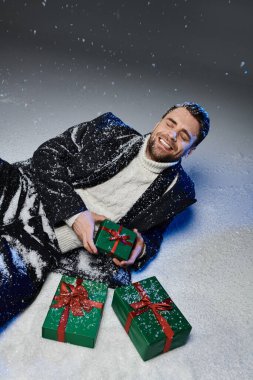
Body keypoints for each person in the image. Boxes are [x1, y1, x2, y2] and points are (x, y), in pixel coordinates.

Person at [0, 102, 210, 328]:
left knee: (9, 282)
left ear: (191, 150)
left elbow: (155, 233)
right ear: (158, 122)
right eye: (170, 124)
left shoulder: (179, 190)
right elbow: (47, 155)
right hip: (27, 189)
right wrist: (75, 213)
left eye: (183, 136)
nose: (171, 135)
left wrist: (141, 249)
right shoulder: (109, 129)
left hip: (50, 241)